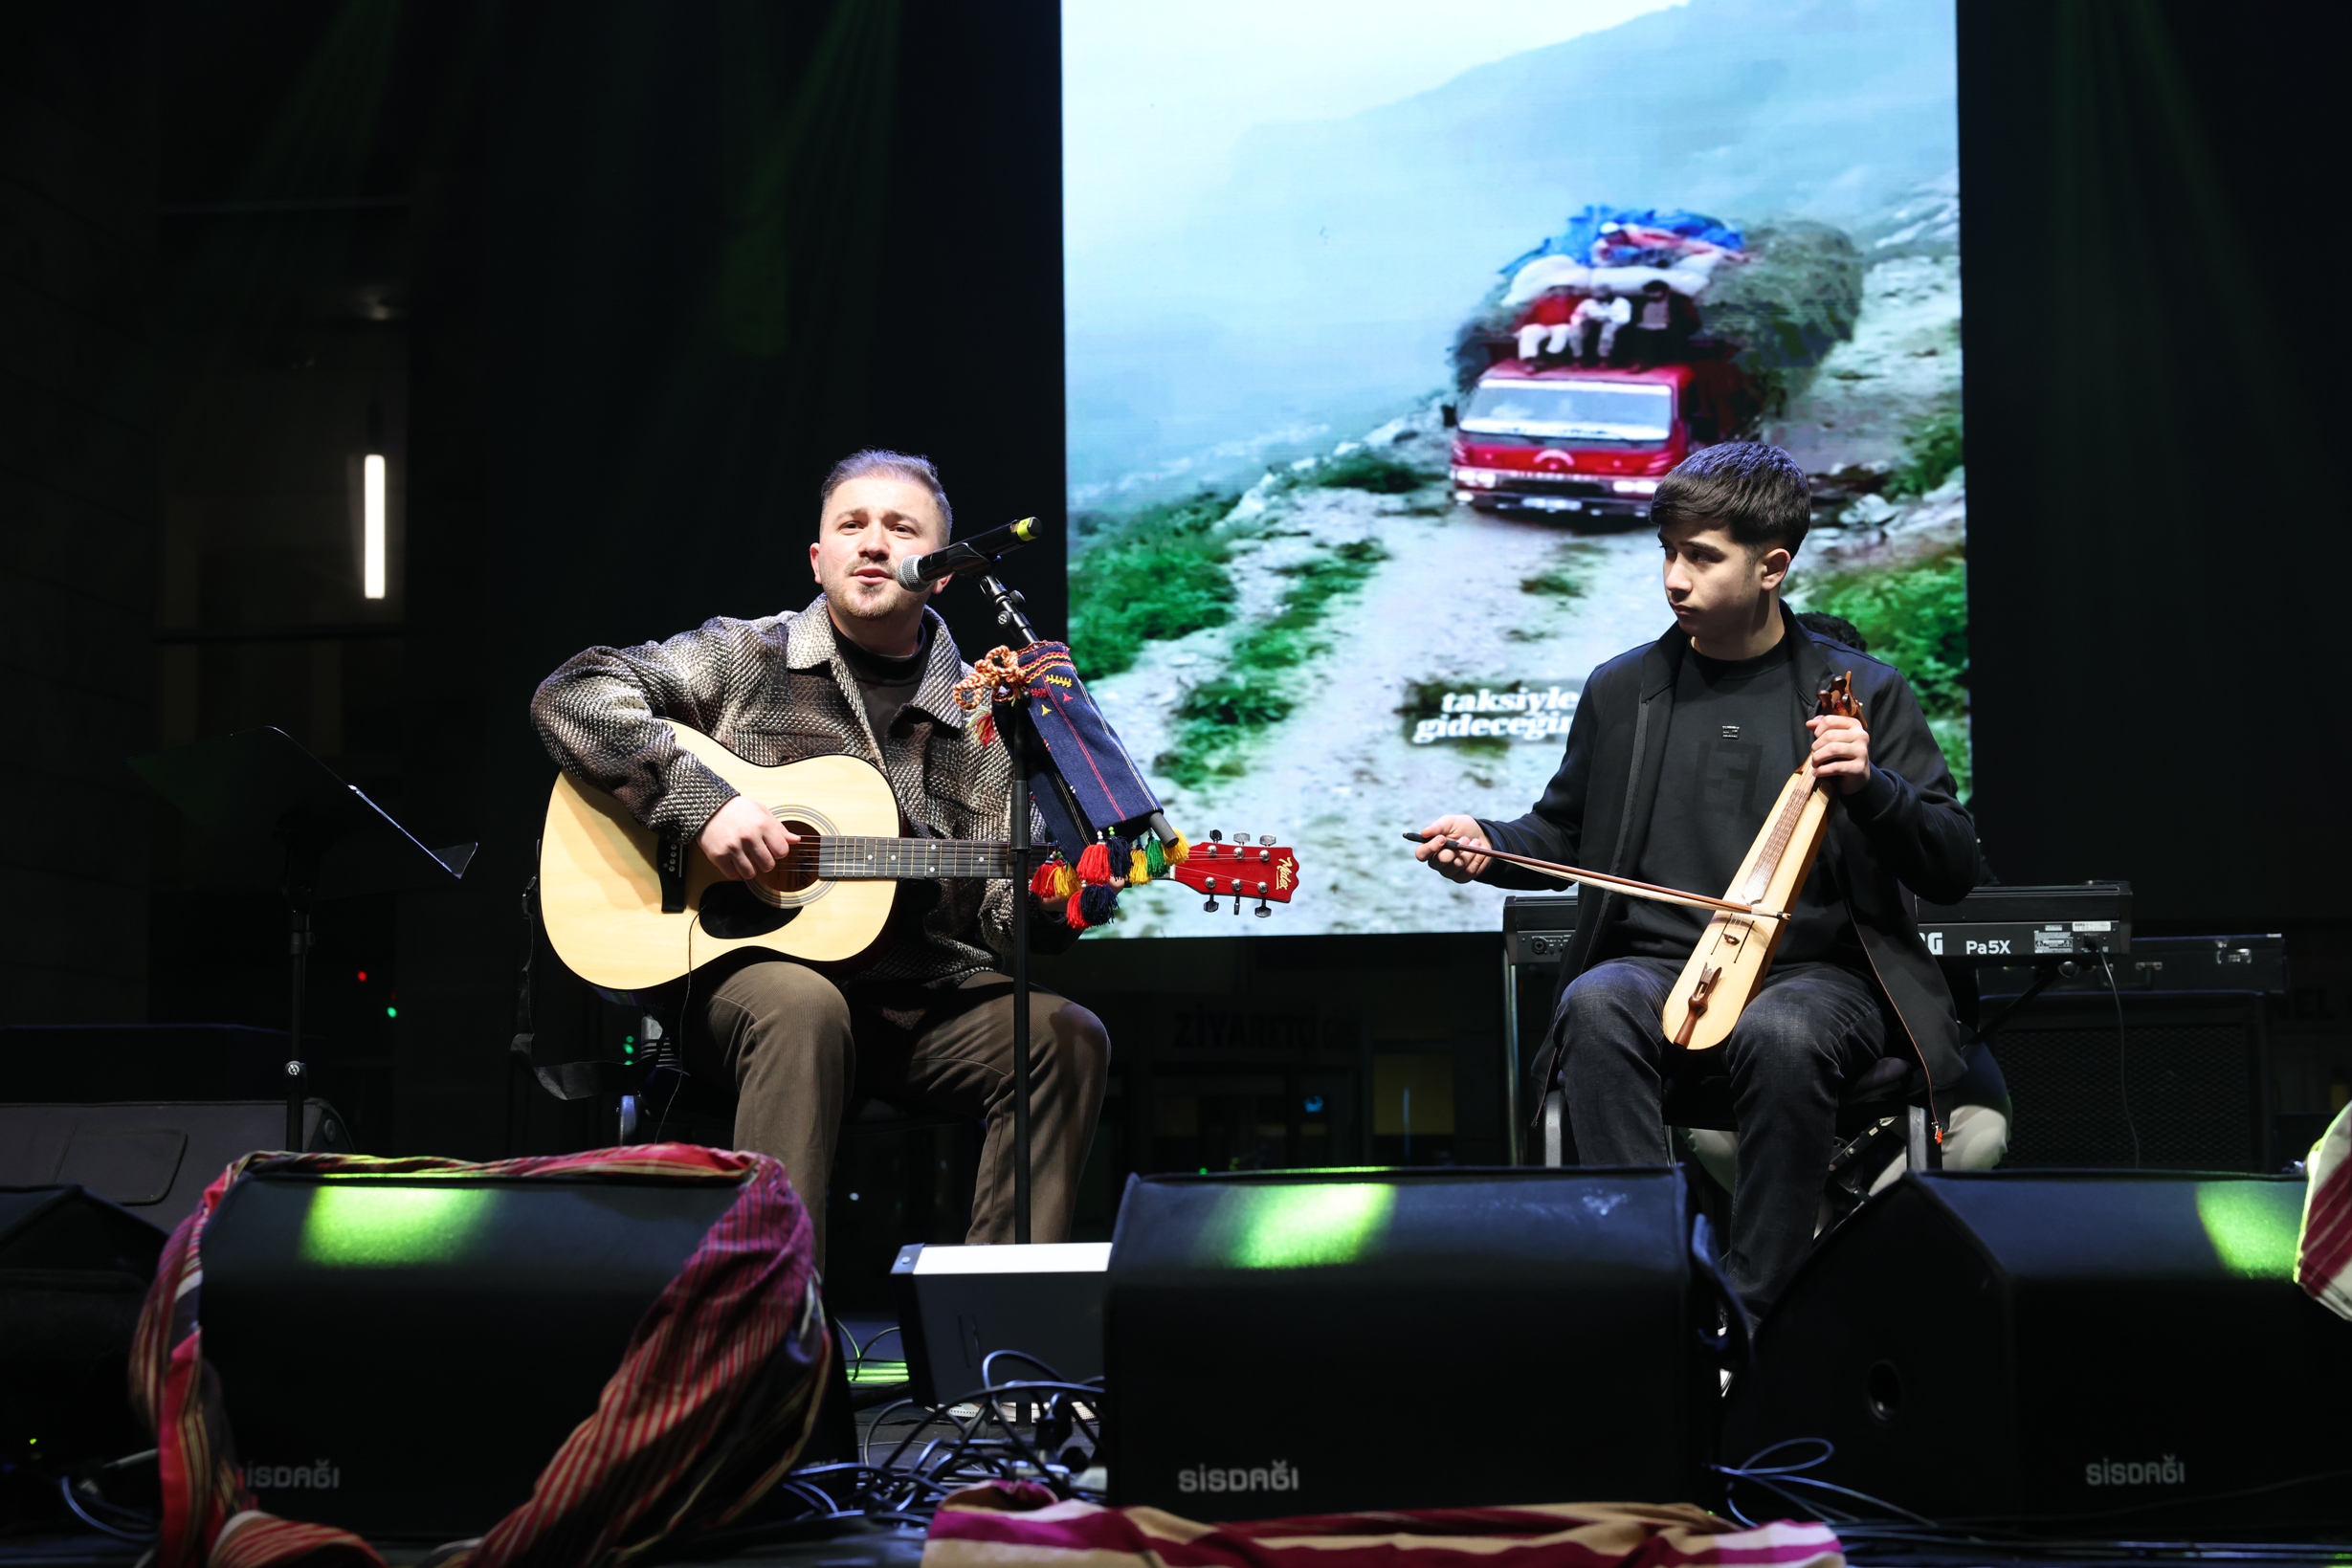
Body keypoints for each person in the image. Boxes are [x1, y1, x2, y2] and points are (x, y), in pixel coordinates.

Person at [1413, 443, 1978, 1311]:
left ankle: (1758, 1310)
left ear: (1772, 568)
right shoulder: (1623, 689)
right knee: (1597, 1000)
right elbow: (1561, 831)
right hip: (1659, 969)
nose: (1675, 577)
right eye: (1668, 551)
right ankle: (1659, 1287)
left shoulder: (1863, 691)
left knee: (1784, 1030)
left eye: (1702, 556)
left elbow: (1952, 862)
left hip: (1820, 979)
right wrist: (1487, 842)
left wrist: (1875, 788)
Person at [532, 450, 1109, 1266]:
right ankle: (775, 1334)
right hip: (747, 985)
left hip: (916, 1000)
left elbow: (1004, 912)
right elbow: (573, 693)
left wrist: (1062, 895)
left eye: (901, 528)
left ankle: (995, 1321)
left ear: (940, 572)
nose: (874, 542)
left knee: (1066, 1036)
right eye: (852, 525)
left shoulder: (985, 713)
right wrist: (704, 806)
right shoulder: (746, 656)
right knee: (806, 1006)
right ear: (819, 557)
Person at [1566, 287, 1631, 365]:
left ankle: (1604, 358)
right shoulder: (1588, 302)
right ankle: (1578, 358)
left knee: (1606, 334)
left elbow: (1625, 318)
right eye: (1597, 297)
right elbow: (1577, 314)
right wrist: (1578, 323)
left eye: (1602, 297)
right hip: (1591, 321)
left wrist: (1609, 319)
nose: (1599, 299)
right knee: (1574, 334)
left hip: (1612, 321)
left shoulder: (1622, 302)